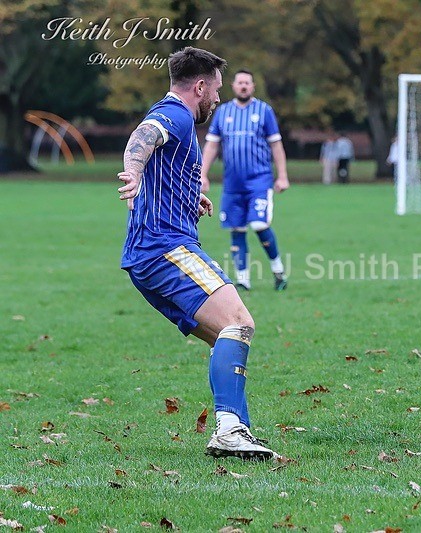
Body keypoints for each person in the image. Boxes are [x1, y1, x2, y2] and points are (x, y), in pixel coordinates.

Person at [118, 47, 277, 461]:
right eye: (217, 90)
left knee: (225, 335)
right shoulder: (176, 114)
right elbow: (143, 137)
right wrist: (132, 171)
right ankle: (229, 430)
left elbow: (165, 166)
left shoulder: (180, 119)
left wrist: (191, 198)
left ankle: (235, 430)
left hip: (148, 254)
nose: (219, 99)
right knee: (239, 322)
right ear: (200, 86)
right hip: (164, 248)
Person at [200, 69, 289, 292]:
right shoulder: (223, 113)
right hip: (232, 182)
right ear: (233, 86)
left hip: (259, 180)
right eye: (240, 83)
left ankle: (278, 271)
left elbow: (276, 145)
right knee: (236, 228)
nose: (243, 86)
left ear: (253, 87)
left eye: (247, 83)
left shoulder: (264, 111)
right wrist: (202, 174)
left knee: (259, 224)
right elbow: (212, 145)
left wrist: (283, 176)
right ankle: (243, 279)